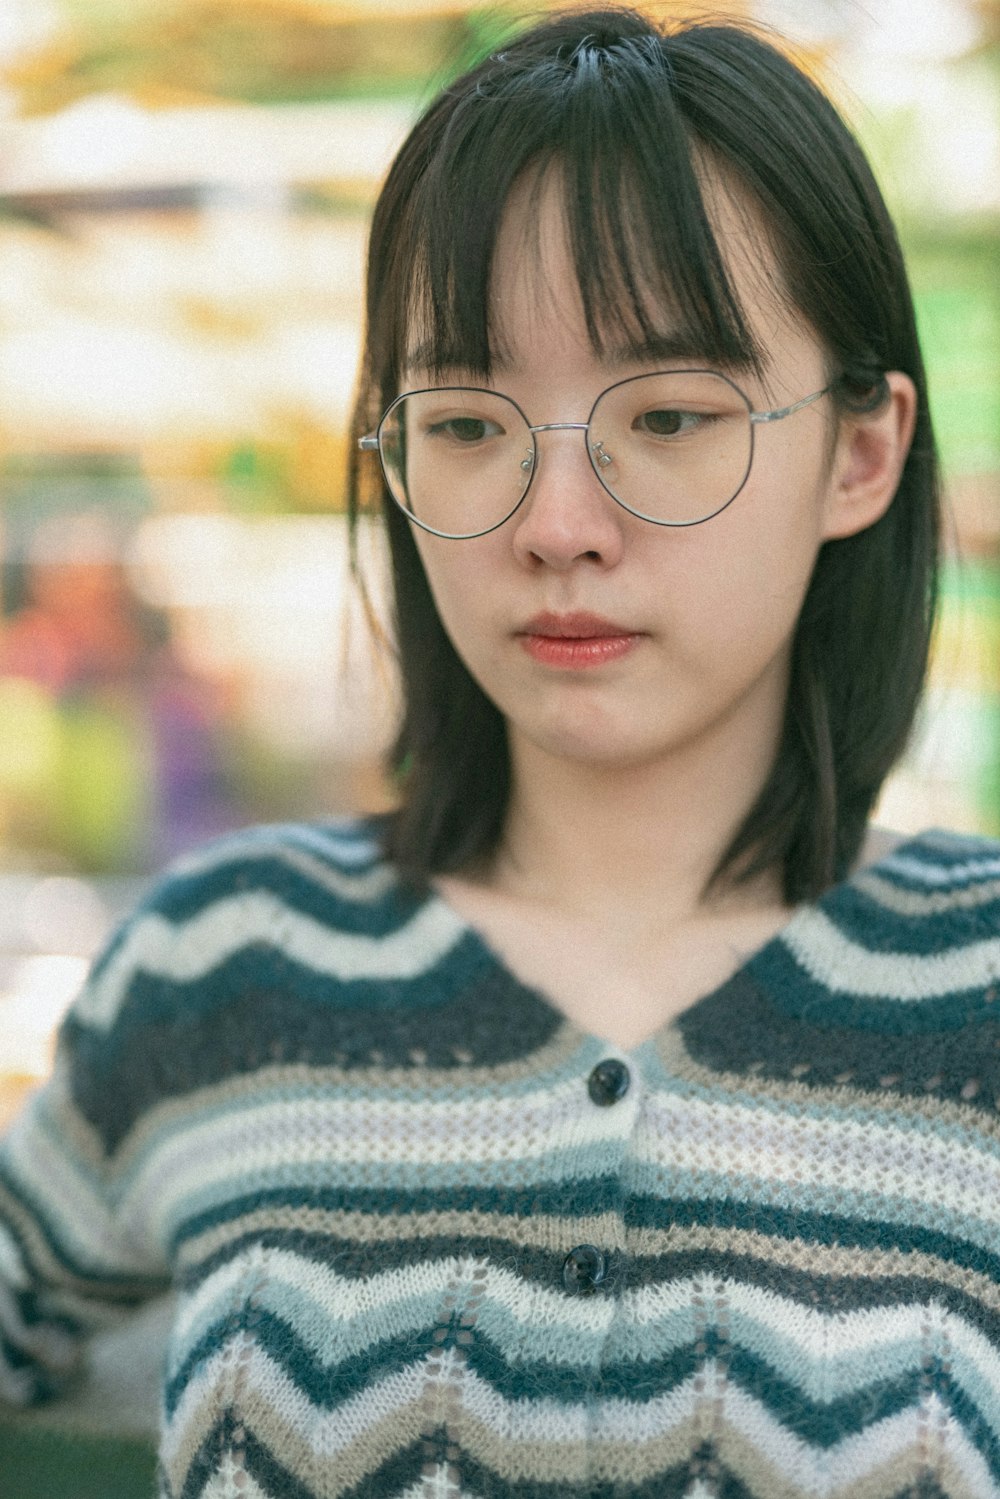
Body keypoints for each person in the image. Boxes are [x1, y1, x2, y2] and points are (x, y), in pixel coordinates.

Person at [1, 8, 997, 1497]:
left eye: (667, 414)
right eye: (466, 424)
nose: (555, 525)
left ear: (860, 452)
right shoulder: (224, 969)